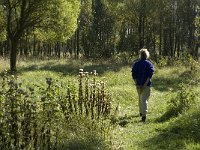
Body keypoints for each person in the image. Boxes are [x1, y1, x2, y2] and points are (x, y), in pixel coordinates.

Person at [131, 48, 155, 122]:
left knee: (140, 98)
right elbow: (149, 75)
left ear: (140, 55)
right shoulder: (149, 64)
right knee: (144, 99)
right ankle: (144, 115)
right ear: (146, 55)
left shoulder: (136, 64)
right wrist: (144, 85)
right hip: (147, 85)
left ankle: (141, 112)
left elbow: (133, 75)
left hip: (138, 84)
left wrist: (137, 84)